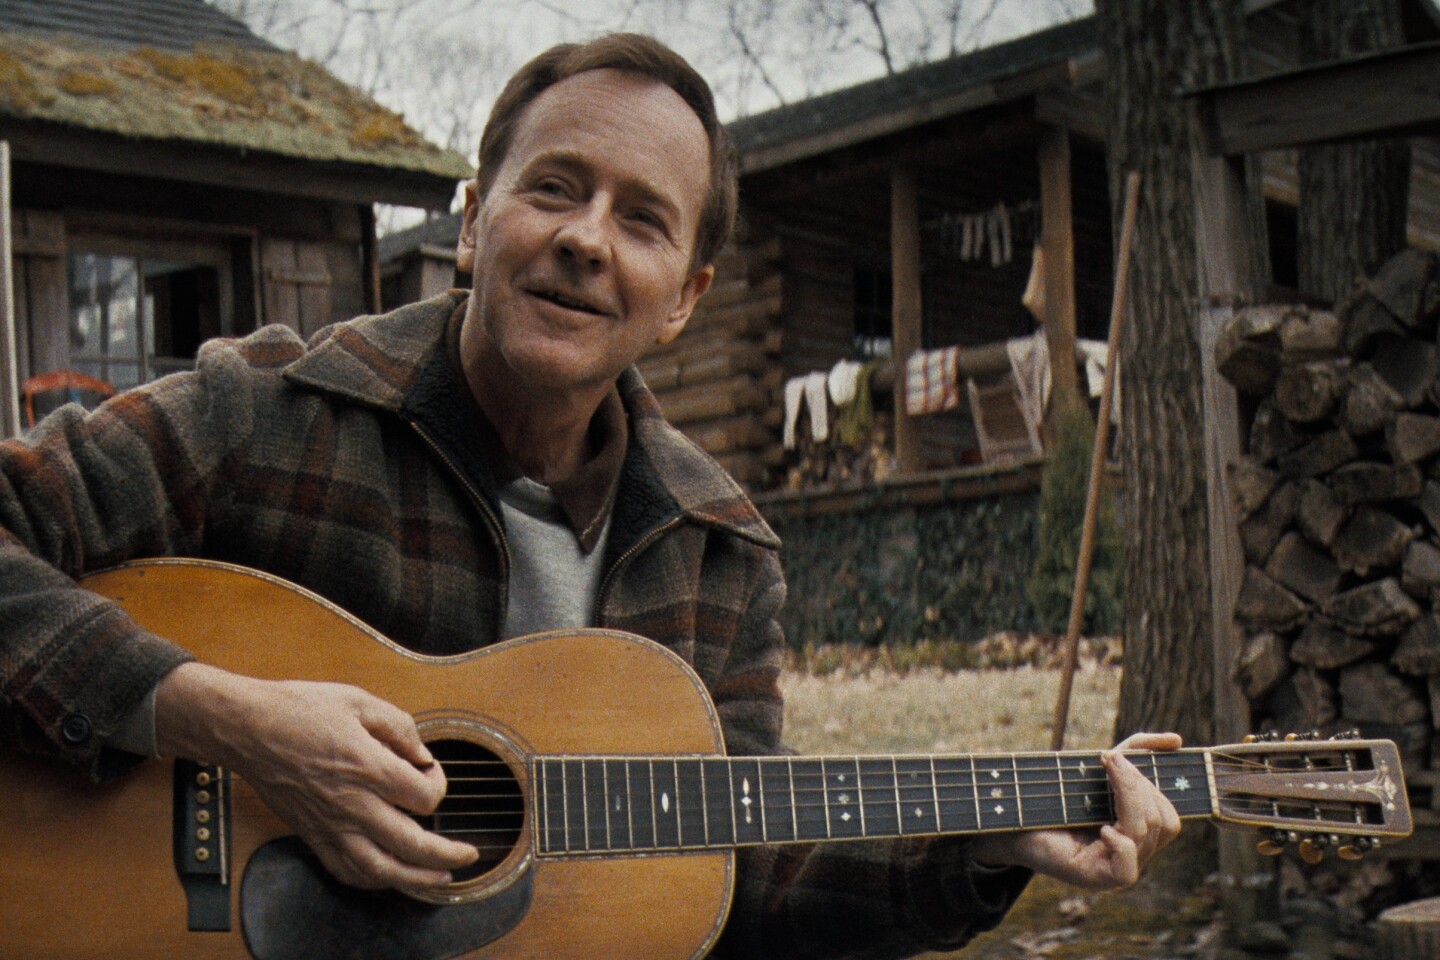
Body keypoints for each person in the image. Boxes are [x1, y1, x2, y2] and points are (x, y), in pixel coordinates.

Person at [0, 33, 1180, 958]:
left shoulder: (715, 551)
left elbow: (742, 876)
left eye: (642, 219)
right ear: (474, 222)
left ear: (685, 298)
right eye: (555, 189)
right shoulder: (269, 413)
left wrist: (981, 844)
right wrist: (222, 719)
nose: (587, 240)